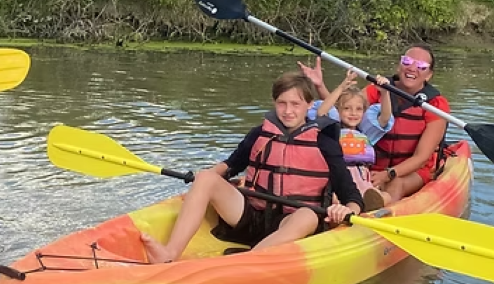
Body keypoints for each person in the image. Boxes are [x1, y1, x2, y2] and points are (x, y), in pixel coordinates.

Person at [141, 71, 364, 264]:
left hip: (292, 223)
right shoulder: (260, 134)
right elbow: (230, 165)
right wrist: (203, 180)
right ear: (274, 102)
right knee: (207, 178)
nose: (288, 111)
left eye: (295, 104)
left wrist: (347, 210)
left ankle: (249, 261)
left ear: (308, 105)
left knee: (307, 216)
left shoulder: (324, 142)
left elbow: (351, 195)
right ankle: (168, 253)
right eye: (282, 103)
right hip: (252, 217)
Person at [365, 45, 449, 205]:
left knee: (396, 183)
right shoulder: (376, 90)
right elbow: (344, 113)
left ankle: (382, 213)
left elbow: (421, 157)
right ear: (399, 65)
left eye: (421, 66)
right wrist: (320, 86)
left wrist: (387, 174)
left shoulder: (436, 105)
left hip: (414, 170)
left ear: (429, 75)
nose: (412, 68)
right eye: (407, 61)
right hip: (373, 164)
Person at [309, 69, 393, 211]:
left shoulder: (365, 132)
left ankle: (369, 202)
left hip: (361, 176)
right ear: (338, 111)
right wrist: (342, 87)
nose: (353, 113)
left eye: (358, 109)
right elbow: (321, 112)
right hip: (341, 177)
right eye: (347, 108)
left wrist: (385, 92)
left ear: (364, 111)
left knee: (387, 196)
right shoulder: (332, 130)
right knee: (336, 196)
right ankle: (342, 207)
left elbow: (385, 117)